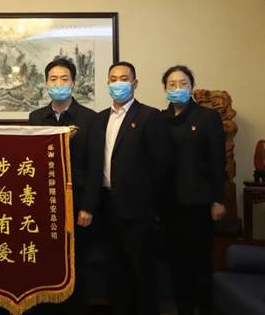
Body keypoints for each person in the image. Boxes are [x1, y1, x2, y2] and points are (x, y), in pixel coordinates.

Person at [90, 61, 171, 315]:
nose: (118, 83)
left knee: (142, 269)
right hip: (106, 206)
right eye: (113, 79)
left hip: (138, 209)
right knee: (115, 270)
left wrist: (149, 205)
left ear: (134, 83)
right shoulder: (99, 119)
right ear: (107, 83)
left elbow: (161, 165)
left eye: (124, 78)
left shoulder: (150, 116)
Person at [29, 57, 97, 315]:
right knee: (45, 261)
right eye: (53, 79)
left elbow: (95, 167)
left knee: (76, 263)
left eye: (64, 79)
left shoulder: (90, 119)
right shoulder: (36, 117)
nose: (59, 84)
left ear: (74, 84)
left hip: (77, 204)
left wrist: (88, 207)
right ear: (46, 84)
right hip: (43, 205)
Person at [160, 65, 226, 315]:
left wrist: (218, 199)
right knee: (176, 264)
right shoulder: (159, 119)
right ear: (165, 89)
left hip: (198, 203)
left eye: (183, 83)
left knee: (200, 263)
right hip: (169, 204)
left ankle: (206, 309)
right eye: (172, 84)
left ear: (192, 87)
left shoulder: (207, 117)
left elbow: (218, 160)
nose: (177, 88)